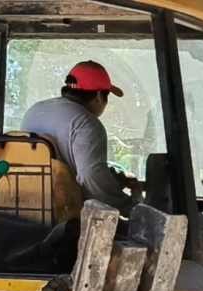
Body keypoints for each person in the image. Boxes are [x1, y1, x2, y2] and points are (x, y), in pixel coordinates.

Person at [20, 61, 136, 215]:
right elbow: (91, 177)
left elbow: (65, 160)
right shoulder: (87, 123)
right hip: (63, 213)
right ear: (99, 96)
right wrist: (129, 207)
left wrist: (114, 178)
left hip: (24, 204)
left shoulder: (34, 110)